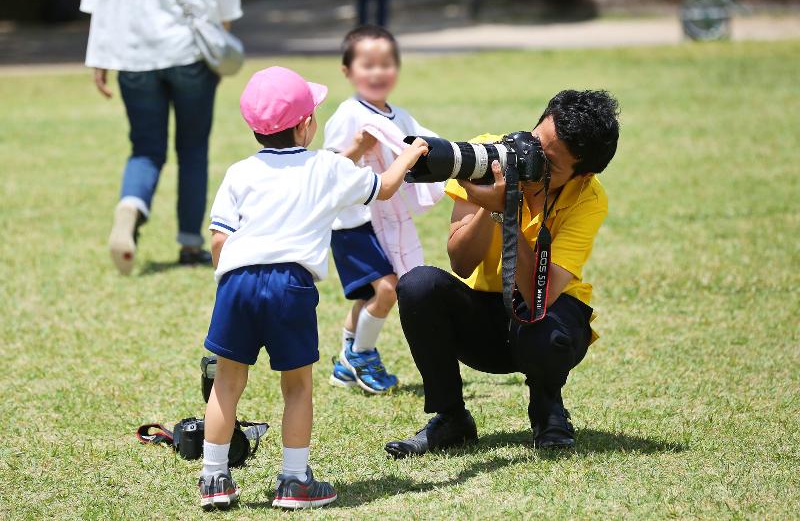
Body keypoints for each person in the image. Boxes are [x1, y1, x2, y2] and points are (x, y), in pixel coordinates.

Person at [197, 66, 428, 510]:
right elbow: (385, 188)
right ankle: (295, 480)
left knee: (227, 383)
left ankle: (214, 480)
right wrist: (410, 151)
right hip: (290, 285)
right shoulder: (327, 167)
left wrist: (229, 288)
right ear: (306, 125)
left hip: (237, 282)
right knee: (297, 386)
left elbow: (219, 239)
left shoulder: (240, 171)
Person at [385, 90, 620, 458]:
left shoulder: (588, 197)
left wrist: (508, 209)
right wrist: (489, 208)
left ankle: (548, 409)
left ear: (582, 173)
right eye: (536, 144)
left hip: (544, 321)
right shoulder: (488, 156)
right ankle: (451, 418)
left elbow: (536, 294)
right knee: (419, 285)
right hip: (485, 323)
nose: (534, 161)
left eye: (551, 164)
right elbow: (461, 263)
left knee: (548, 329)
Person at [80, 0, 242, 275]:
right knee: (193, 151)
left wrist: (99, 59)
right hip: (189, 51)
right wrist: (220, 43)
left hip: (133, 57)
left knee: (144, 149)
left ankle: (130, 207)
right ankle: (191, 245)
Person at [324, 25, 441, 394]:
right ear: (348, 71)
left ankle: (345, 364)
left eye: (386, 64)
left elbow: (430, 141)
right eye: (367, 64)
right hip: (352, 222)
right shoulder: (348, 114)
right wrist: (359, 145)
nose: (377, 72)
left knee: (367, 295)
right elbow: (329, 169)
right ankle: (361, 354)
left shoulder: (399, 115)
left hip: (384, 221)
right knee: (387, 289)